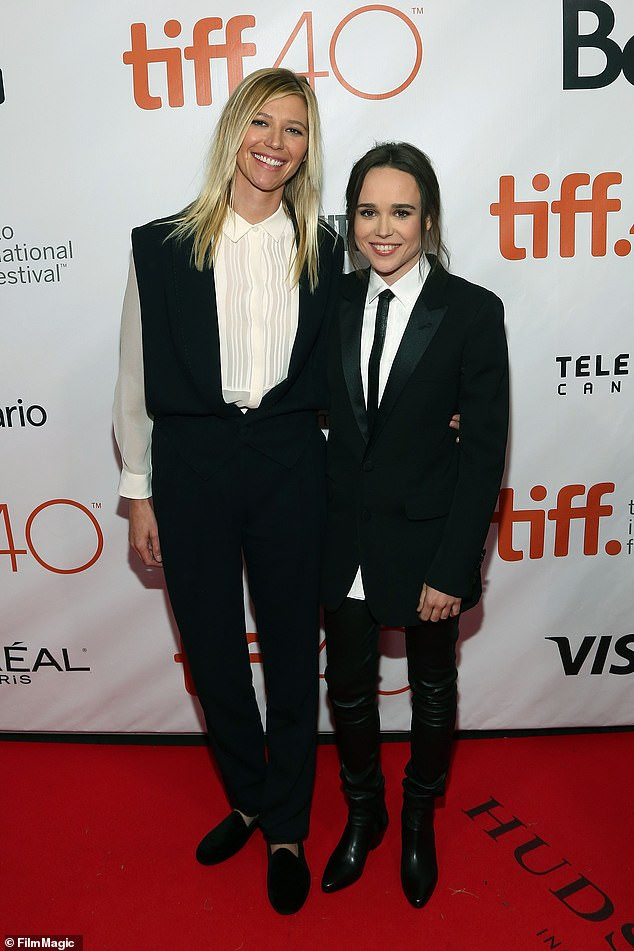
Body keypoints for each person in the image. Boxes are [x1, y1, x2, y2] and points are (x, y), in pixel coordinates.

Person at [113, 68, 342, 915]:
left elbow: (370, 356)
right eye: (262, 122)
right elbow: (134, 377)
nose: (275, 143)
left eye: (294, 128)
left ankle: (286, 821)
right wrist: (138, 490)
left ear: (307, 147)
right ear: (233, 130)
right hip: (193, 461)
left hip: (291, 458)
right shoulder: (162, 244)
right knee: (210, 648)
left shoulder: (328, 246)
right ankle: (248, 792)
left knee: (289, 649)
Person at [320, 143, 509, 907]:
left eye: (401, 211)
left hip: (430, 543)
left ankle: (419, 814)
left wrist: (454, 565)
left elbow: (485, 449)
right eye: (368, 211)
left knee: (433, 687)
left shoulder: (471, 310)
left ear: (427, 218)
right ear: (351, 219)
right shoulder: (326, 302)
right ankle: (364, 813)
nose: (383, 228)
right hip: (343, 541)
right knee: (351, 688)